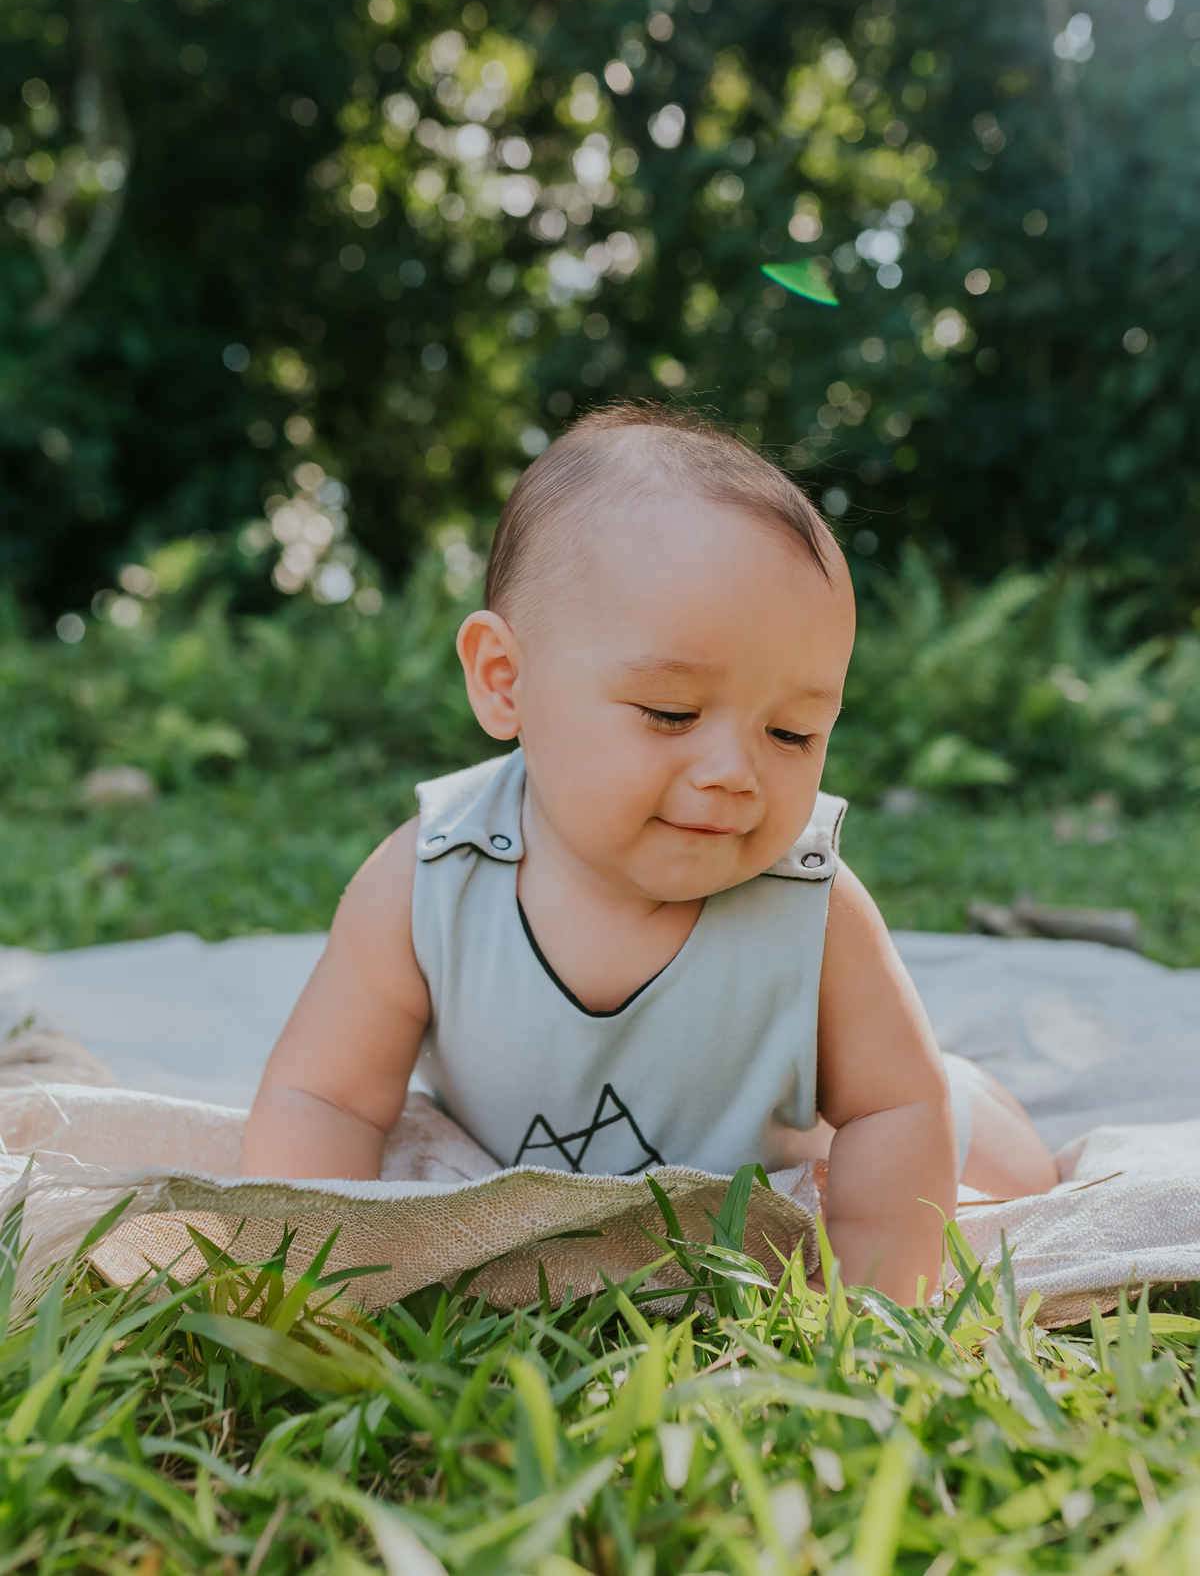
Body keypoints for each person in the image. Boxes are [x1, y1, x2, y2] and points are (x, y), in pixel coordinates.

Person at [242, 404, 1056, 1302]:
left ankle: (972, 1089)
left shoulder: (809, 905)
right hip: (516, 1169)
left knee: (1012, 1169)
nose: (735, 772)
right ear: (506, 682)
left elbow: (891, 1108)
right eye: (672, 713)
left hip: (766, 1170)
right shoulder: (429, 881)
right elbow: (325, 1099)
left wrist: (874, 1302)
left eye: (791, 732)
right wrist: (305, 1284)